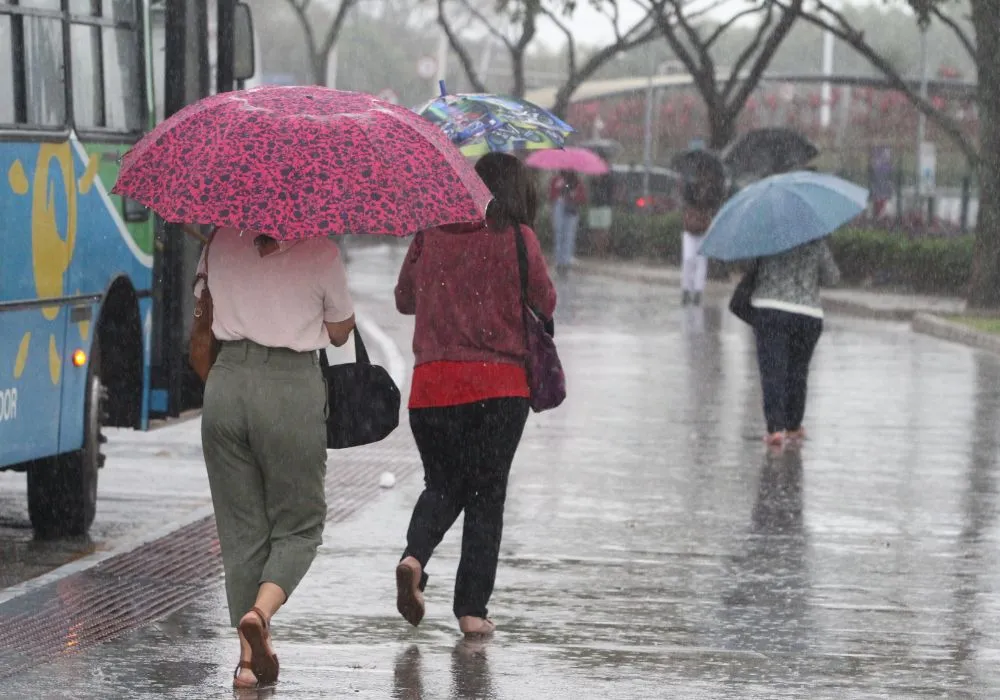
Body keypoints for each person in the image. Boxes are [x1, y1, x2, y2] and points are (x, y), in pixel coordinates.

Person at [393, 152, 557, 637]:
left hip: (432, 388)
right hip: (499, 390)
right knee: (486, 494)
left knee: (442, 484)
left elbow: (404, 299)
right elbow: (545, 303)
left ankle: (414, 557)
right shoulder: (519, 239)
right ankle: (470, 609)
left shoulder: (430, 233)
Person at [194, 227, 356, 688]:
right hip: (289, 392)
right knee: (300, 526)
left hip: (225, 388)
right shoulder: (321, 252)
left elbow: (203, 304)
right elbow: (342, 333)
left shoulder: (219, 241)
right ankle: (260, 614)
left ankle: (247, 664)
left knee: (242, 530)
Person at [750, 238, 840, 449]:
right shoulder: (815, 242)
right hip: (807, 315)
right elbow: (832, 277)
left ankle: (775, 429)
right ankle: (793, 425)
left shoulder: (767, 239)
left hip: (771, 309)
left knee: (773, 372)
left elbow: (751, 268)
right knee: (798, 372)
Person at [549, 169, 587, 274]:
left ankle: (566, 260)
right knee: (559, 233)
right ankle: (559, 260)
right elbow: (552, 195)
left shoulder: (577, 181)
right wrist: (560, 189)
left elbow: (582, 197)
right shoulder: (557, 179)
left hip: (571, 209)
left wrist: (573, 195)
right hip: (559, 207)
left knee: (569, 235)